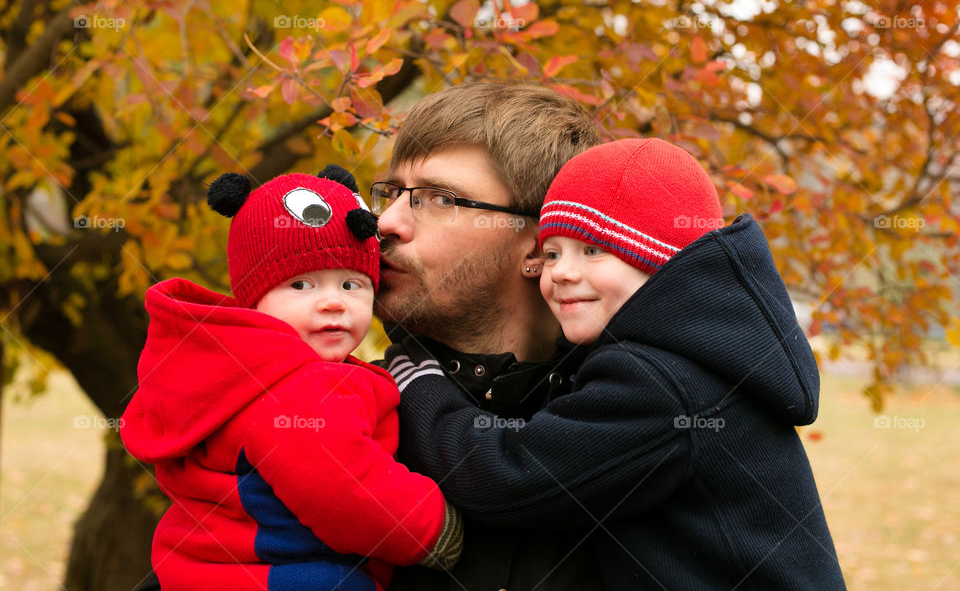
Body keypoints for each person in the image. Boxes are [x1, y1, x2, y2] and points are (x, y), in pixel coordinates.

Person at [386, 137, 848, 590]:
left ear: (657, 263)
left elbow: (510, 477)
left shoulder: (662, 384)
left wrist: (419, 382)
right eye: (552, 253)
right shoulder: (695, 357)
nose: (563, 272)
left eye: (593, 250)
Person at [120, 166, 462, 591]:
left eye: (352, 284)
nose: (333, 303)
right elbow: (345, 491)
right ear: (255, 301)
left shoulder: (242, 373)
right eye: (301, 285)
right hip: (290, 577)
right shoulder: (298, 386)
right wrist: (434, 527)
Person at [372, 81, 606, 590]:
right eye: (390, 194)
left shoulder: (627, 433)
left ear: (537, 246)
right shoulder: (341, 414)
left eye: (436, 198)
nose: (386, 222)